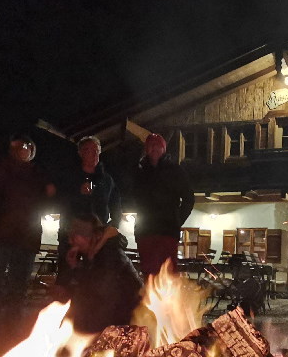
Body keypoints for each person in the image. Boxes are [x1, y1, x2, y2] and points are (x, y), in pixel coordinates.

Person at [0, 134, 55, 350]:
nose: (25, 149)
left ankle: (12, 331)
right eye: (21, 146)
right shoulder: (0, 169)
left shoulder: (37, 175)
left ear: (33, 152)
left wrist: (51, 193)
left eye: (29, 147)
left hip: (25, 239)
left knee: (18, 287)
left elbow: (47, 200)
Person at [54, 136, 121, 297]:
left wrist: (112, 226)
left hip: (96, 237)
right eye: (88, 150)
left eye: (96, 151)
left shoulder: (106, 180)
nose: (93, 154)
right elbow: (59, 201)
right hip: (72, 235)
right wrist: (78, 193)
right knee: (67, 276)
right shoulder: (70, 176)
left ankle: (92, 316)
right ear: (80, 153)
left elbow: (116, 205)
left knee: (96, 278)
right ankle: (63, 314)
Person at [63, 213, 142, 334]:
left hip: (128, 323)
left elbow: (100, 294)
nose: (70, 241)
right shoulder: (93, 255)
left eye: (74, 236)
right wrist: (75, 267)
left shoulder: (109, 254)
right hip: (116, 318)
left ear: (89, 236)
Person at [131, 133, 194, 277]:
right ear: (146, 149)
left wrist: (177, 220)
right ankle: (149, 299)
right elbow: (134, 197)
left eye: (157, 145)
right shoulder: (139, 172)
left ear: (164, 149)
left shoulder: (175, 171)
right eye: (150, 145)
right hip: (145, 231)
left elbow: (189, 198)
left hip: (167, 231)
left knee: (168, 272)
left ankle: (169, 300)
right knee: (149, 273)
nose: (154, 148)